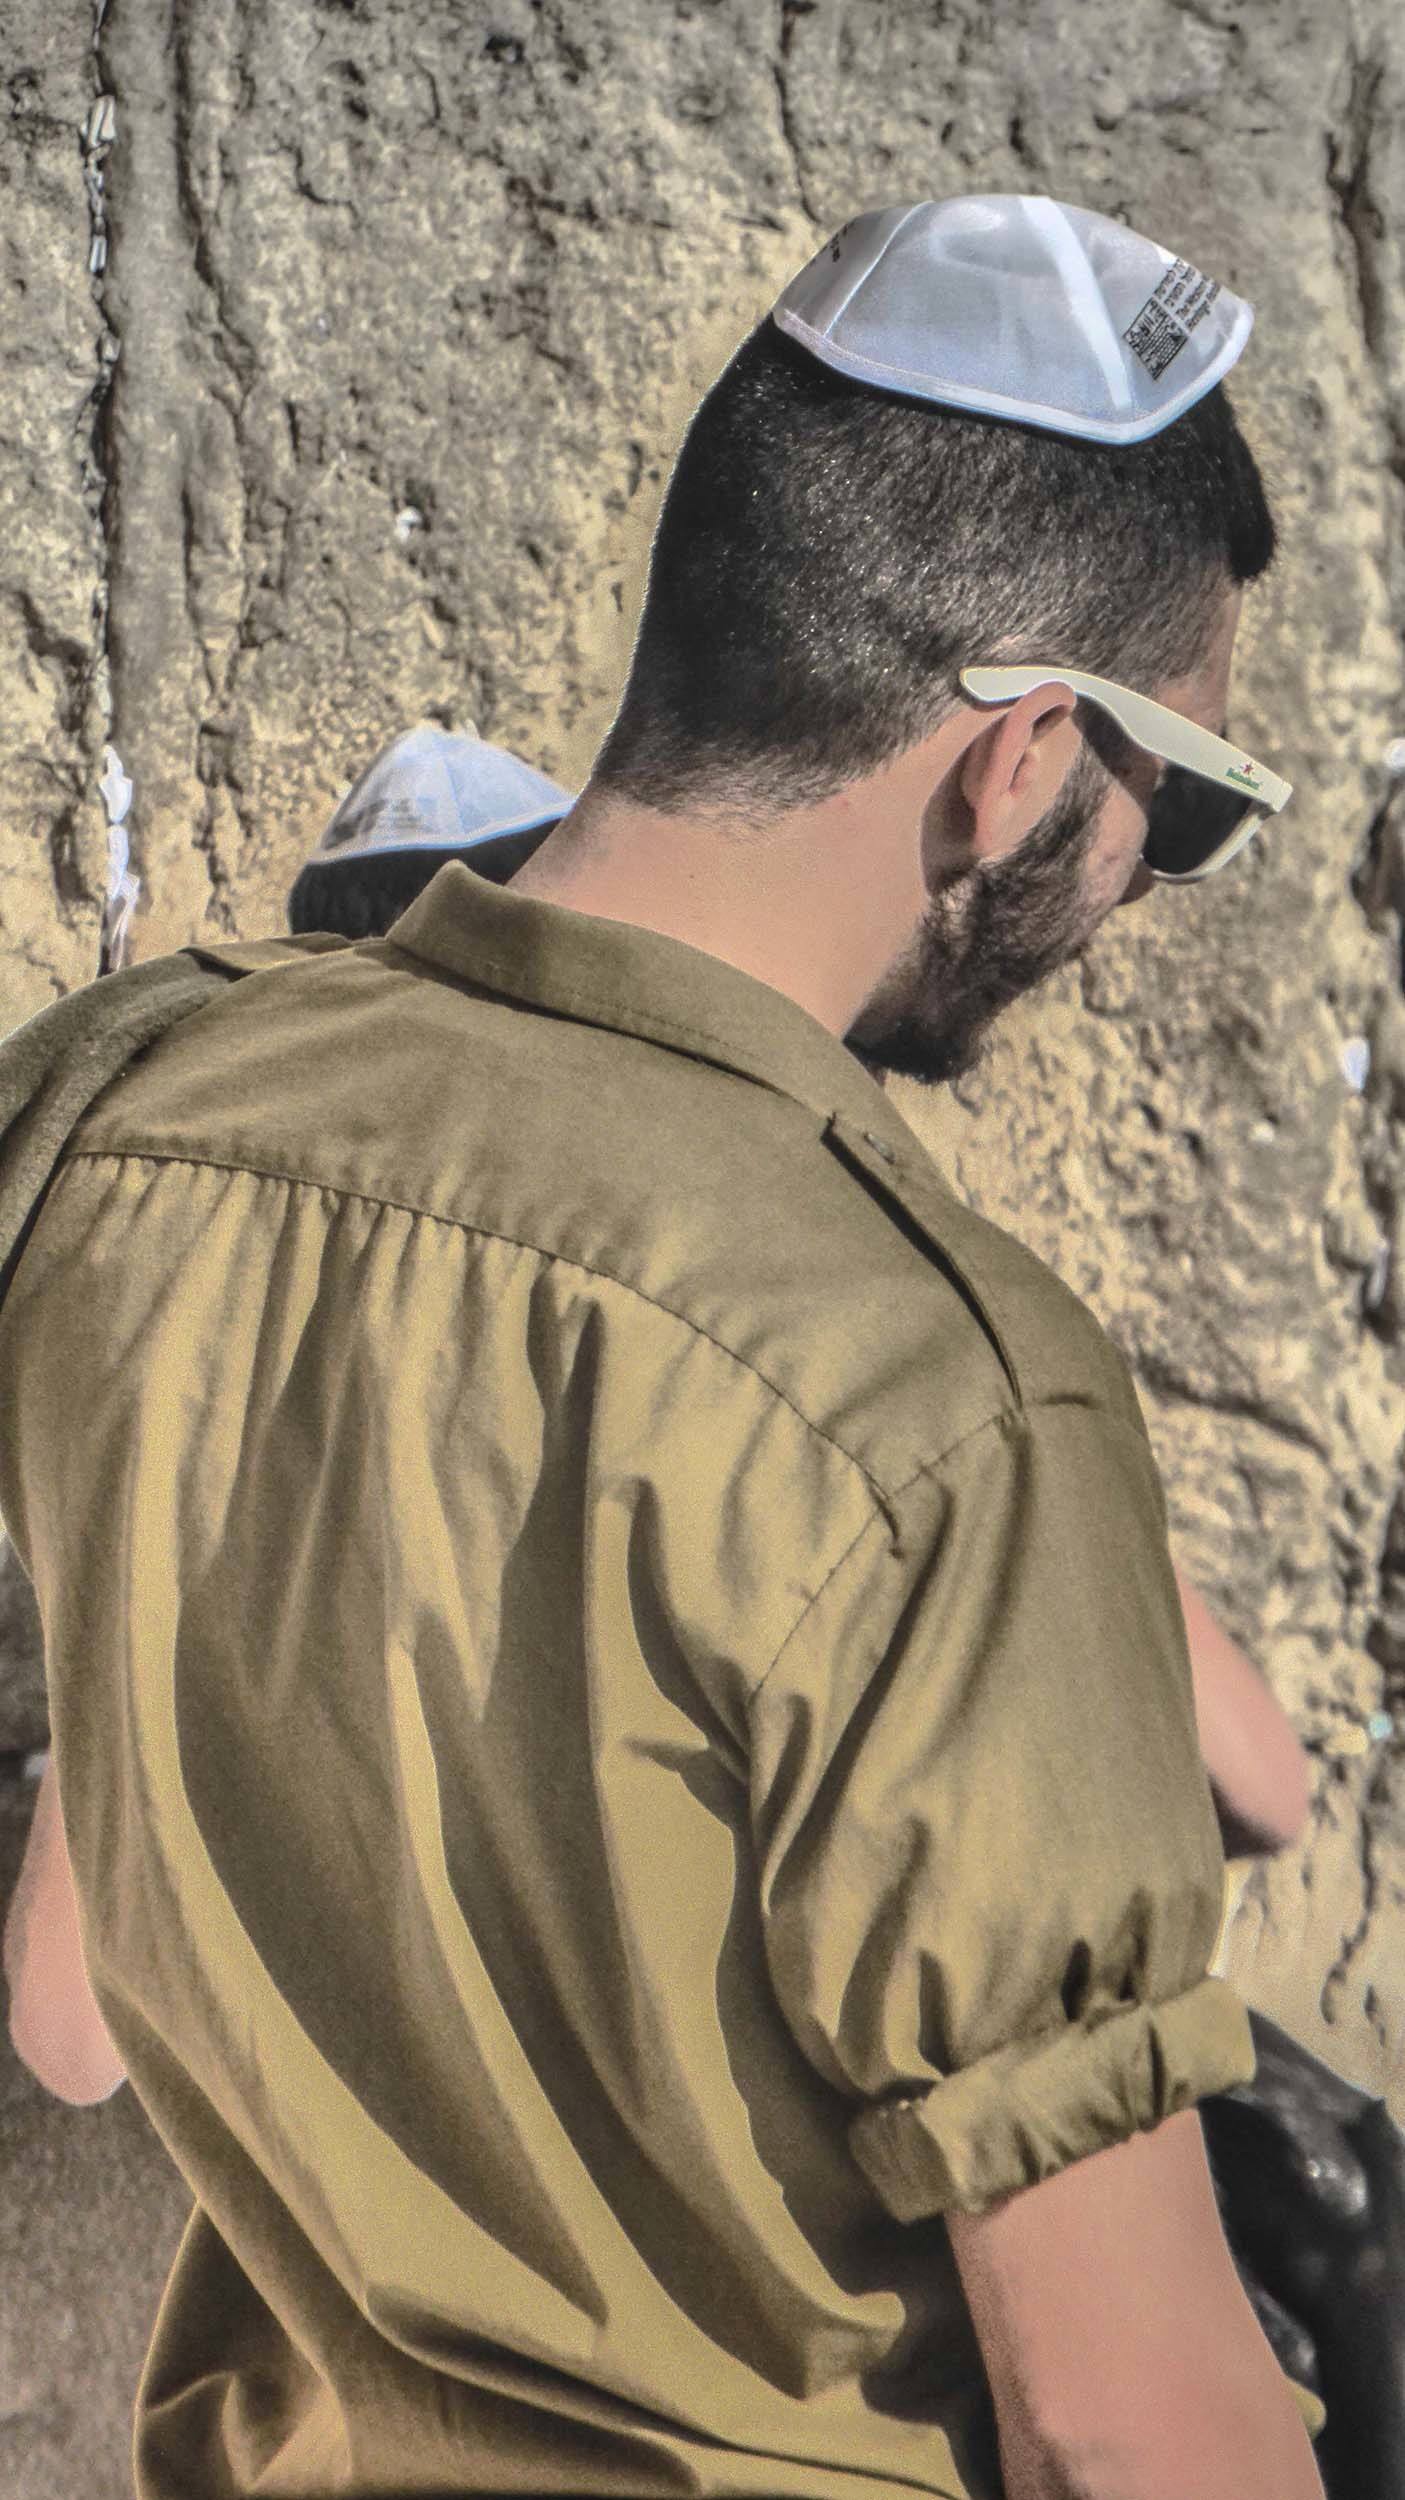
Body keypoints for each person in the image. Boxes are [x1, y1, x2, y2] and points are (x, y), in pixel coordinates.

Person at [0, 195, 1330, 2499]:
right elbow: (1134, 2424)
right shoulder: (939, 1401)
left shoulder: (108, 1105)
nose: (1146, 877)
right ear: (1017, 767)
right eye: (1177, 803)